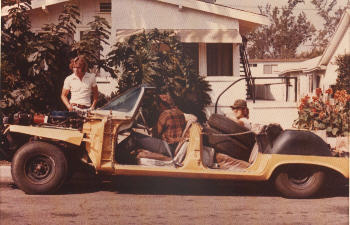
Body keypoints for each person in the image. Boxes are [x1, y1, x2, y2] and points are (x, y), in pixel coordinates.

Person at [124, 93, 186, 158]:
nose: (158, 107)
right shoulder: (180, 113)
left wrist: (152, 130)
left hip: (167, 147)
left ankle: (124, 158)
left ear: (161, 104)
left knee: (134, 136)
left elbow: (156, 135)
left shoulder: (165, 114)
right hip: (175, 145)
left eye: (158, 105)